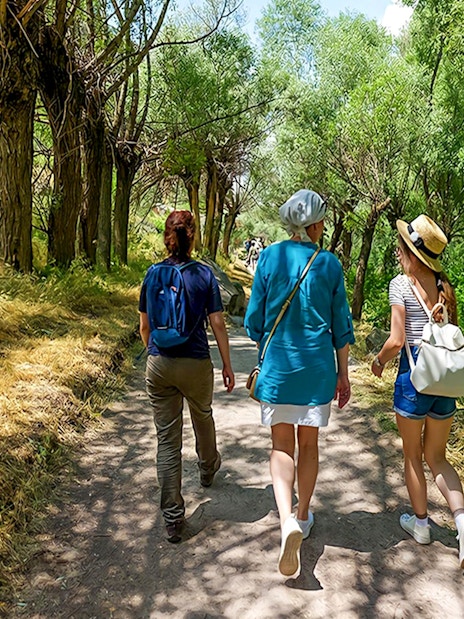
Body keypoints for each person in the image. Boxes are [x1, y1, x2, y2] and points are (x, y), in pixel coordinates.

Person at [244, 189, 355, 577]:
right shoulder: (329, 264)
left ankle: (286, 518)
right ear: (313, 224)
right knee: (308, 444)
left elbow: (254, 319)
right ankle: (303, 516)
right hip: (317, 369)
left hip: (279, 368)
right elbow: (341, 326)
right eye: (322, 219)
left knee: (281, 445)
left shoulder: (270, 257)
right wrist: (344, 374)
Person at [371, 214, 464, 568]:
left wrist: (379, 361)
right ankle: (462, 526)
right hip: (445, 381)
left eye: (402, 248)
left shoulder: (401, 284)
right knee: (438, 457)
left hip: (414, 379)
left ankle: (421, 524)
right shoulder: (444, 285)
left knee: (412, 455)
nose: (398, 252)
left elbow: (396, 340)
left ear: (411, 253)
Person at [139, 211, 235, 543]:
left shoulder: (152, 274)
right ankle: (208, 468)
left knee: (167, 440)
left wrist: (156, 352)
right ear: (192, 236)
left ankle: (173, 518)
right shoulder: (204, 275)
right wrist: (226, 364)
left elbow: (144, 327)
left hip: (159, 363)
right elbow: (218, 324)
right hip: (195, 363)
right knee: (202, 415)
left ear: (167, 236)